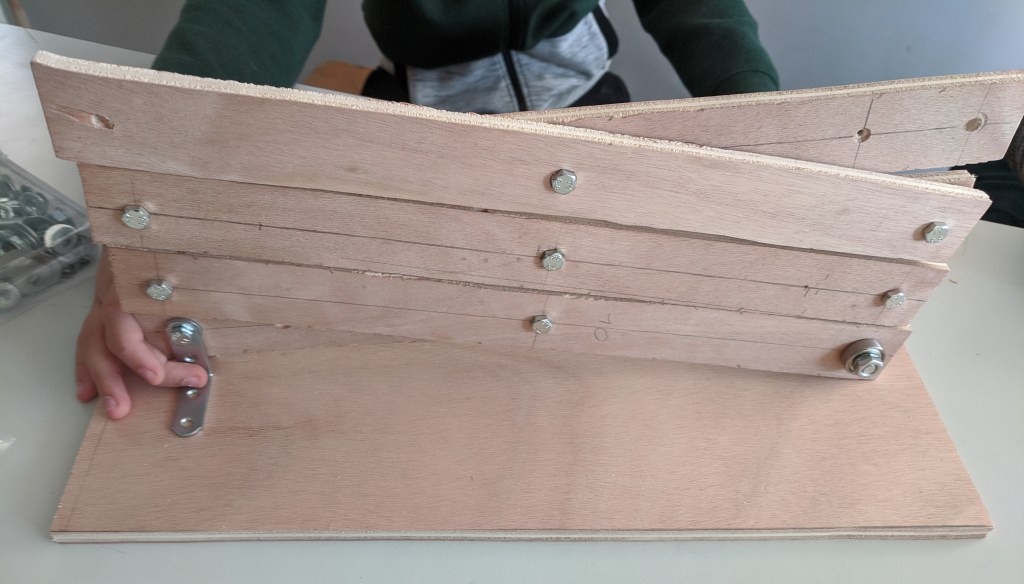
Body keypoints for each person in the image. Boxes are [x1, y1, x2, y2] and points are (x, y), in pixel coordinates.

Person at [76, 0, 779, 419]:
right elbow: (249, 17)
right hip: (424, 112)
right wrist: (140, 216)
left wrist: (767, 124)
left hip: (587, 100)